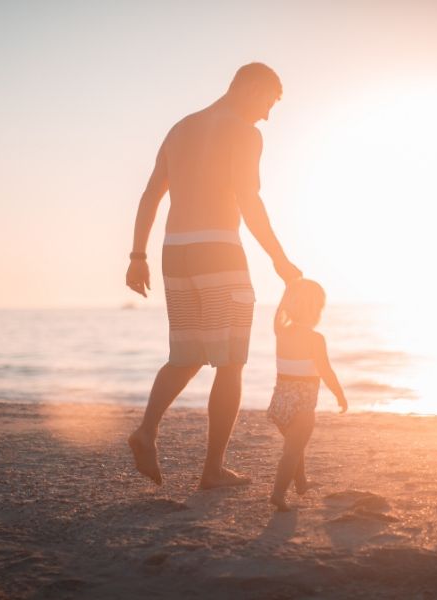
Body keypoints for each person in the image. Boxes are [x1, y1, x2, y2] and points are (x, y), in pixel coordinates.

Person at [125, 63, 301, 489]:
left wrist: (137, 255)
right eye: (268, 103)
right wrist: (280, 259)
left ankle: (146, 430)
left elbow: (152, 193)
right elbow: (249, 201)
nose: (266, 116)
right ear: (252, 88)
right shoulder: (244, 132)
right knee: (231, 362)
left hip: (175, 253)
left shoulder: (181, 128)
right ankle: (212, 471)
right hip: (219, 251)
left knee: (186, 357)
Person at [267, 279, 348, 511]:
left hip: (280, 403)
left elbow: (279, 312)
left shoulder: (281, 331)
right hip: (302, 404)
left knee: (295, 444)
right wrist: (339, 395)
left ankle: (301, 483)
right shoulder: (315, 339)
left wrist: (287, 289)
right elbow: (326, 371)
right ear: (315, 310)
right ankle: (278, 493)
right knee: (292, 451)